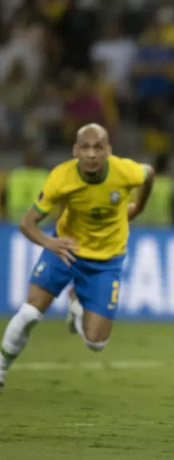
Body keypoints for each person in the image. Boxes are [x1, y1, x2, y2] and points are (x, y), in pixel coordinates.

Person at [0, 124, 155, 390]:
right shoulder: (61, 178)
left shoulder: (125, 172)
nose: (92, 154)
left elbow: (149, 173)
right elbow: (28, 223)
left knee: (96, 343)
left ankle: (76, 303)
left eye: (98, 148)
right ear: (75, 151)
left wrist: (138, 207)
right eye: (85, 147)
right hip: (66, 250)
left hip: (106, 261)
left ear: (108, 151)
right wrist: (50, 243)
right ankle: (1, 370)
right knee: (29, 313)